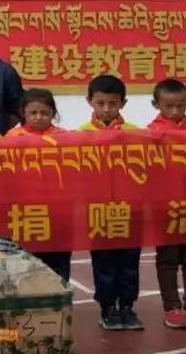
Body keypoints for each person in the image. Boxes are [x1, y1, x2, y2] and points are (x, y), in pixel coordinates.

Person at [78, 75, 143, 332]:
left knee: (129, 261)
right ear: (89, 102)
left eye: (113, 104)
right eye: (100, 103)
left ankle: (127, 306)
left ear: (123, 103)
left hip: (130, 208)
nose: (106, 109)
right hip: (98, 209)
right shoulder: (80, 134)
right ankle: (107, 308)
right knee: (103, 260)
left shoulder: (136, 133)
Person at [147, 78, 186, 331]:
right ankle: (171, 307)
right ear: (156, 105)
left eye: (180, 105)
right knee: (168, 259)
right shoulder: (149, 134)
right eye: (168, 106)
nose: (174, 111)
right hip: (165, 207)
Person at [5, 89, 71, 283]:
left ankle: (60, 294)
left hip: (58, 209)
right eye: (33, 113)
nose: (39, 117)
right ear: (23, 113)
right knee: (26, 260)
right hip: (24, 208)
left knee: (58, 259)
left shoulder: (66, 137)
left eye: (44, 113)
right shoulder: (11, 137)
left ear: (53, 113)